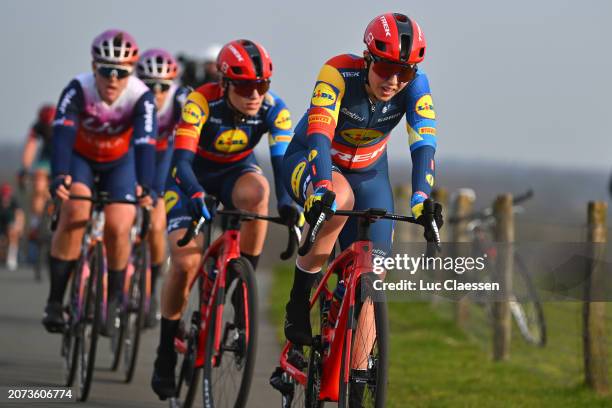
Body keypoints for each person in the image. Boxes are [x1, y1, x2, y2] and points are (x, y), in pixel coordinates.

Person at [281, 13, 442, 347]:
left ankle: (355, 381)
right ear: (367, 58)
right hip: (313, 160)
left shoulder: (416, 86)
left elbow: (423, 143)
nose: (394, 80)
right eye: (385, 69)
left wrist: (421, 198)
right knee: (339, 200)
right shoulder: (337, 72)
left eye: (405, 72)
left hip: (370, 174)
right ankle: (297, 303)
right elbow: (320, 136)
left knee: (374, 277)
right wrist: (322, 186)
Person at [151, 39, 298, 400]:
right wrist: (197, 194)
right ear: (225, 83)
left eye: (261, 85)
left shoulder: (274, 109)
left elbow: (280, 165)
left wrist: (287, 205)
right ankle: (166, 351)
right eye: (246, 86)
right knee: (186, 263)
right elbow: (182, 161)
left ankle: (239, 293)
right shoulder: (200, 102)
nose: (254, 94)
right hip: (190, 178)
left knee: (258, 194)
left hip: (235, 173)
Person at [42, 29, 157, 334]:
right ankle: (55, 301)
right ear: (94, 67)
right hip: (81, 159)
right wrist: (59, 176)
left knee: (120, 225)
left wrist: (146, 185)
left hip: (120, 163)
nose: (113, 79)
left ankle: (117, 297)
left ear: (130, 71)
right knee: (75, 212)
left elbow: (146, 142)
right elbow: (62, 134)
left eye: (121, 72)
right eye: (106, 70)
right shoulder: (78, 89)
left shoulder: (141, 96)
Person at [136, 48, 190, 327]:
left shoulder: (180, 98)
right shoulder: (130, 94)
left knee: (156, 220)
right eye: (149, 85)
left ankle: (153, 279)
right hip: (131, 154)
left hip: (164, 157)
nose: (156, 91)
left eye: (163, 86)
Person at [18, 104, 55, 240]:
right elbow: (31, 146)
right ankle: (35, 222)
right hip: (46, 158)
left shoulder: (63, 122)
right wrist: (25, 168)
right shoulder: (38, 126)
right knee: (39, 184)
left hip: (62, 157)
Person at [0, 183, 24, 270]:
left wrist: (19, 228)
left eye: (7, 196)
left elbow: (20, 215)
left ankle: (12, 257)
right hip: (1, 225)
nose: (5, 199)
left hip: (11, 224)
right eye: (4, 196)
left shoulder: (14, 201)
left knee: (12, 233)